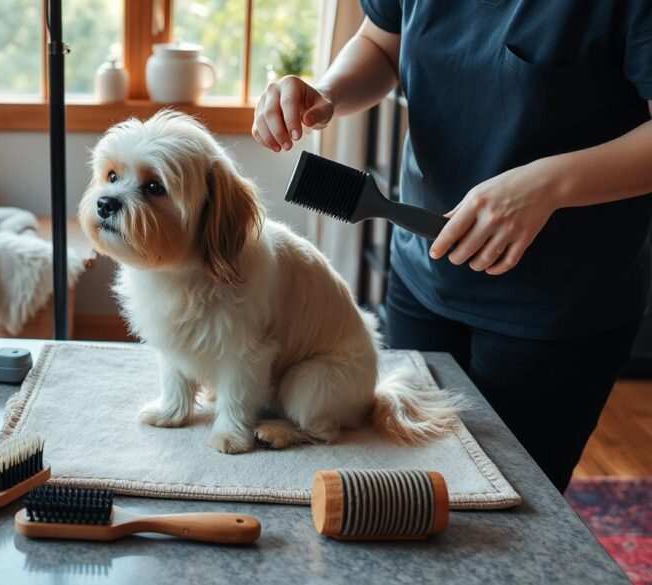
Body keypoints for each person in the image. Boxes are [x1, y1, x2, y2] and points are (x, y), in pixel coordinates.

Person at [252, 0, 652, 492]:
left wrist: (548, 184)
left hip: (555, 310)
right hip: (422, 280)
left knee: (507, 511)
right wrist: (327, 91)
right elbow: (380, 43)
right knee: (399, 487)